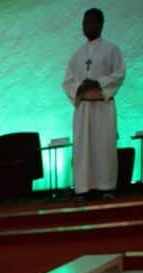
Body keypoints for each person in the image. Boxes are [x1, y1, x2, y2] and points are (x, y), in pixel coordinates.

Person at [62, 8, 125, 198]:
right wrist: (79, 87)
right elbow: (67, 82)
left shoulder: (112, 50)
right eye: (84, 23)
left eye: (90, 22)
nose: (86, 26)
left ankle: (106, 186)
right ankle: (83, 187)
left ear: (100, 24)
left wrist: (99, 83)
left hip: (103, 107)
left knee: (104, 146)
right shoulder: (76, 55)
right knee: (83, 148)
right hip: (83, 109)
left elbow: (119, 74)